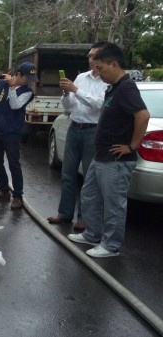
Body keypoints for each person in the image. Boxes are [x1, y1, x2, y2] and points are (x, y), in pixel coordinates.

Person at [68, 42, 150, 258]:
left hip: (116, 159)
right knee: (89, 194)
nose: (99, 74)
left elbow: (143, 115)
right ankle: (92, 234)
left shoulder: (127, 87)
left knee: (113, 204)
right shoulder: (114, 88)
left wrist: (132, 145)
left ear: (114, 64)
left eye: (102, 69)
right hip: (101, 155)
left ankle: (111, 245)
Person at [47, 41, 109, 230]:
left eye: (95, 56)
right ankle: (65, 213)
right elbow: (70, 106)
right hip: (75, 127)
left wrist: (75, 90)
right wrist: (67, 93)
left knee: (89, 177)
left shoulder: (107, 81)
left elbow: (99, 105)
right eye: (89, 56)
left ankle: (84, 217)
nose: (91, 60)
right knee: (68, 173)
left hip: (93, 130)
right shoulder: (81, 77)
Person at [0, 62, 38, 210]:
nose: (29, 81)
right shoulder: (1, 83)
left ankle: (18, 196)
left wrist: (12, 87)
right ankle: (4, 190)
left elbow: (15, 105)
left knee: (14, 164)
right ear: (18, 74)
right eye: (27, 77)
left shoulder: (28, 92)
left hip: (11, 133)